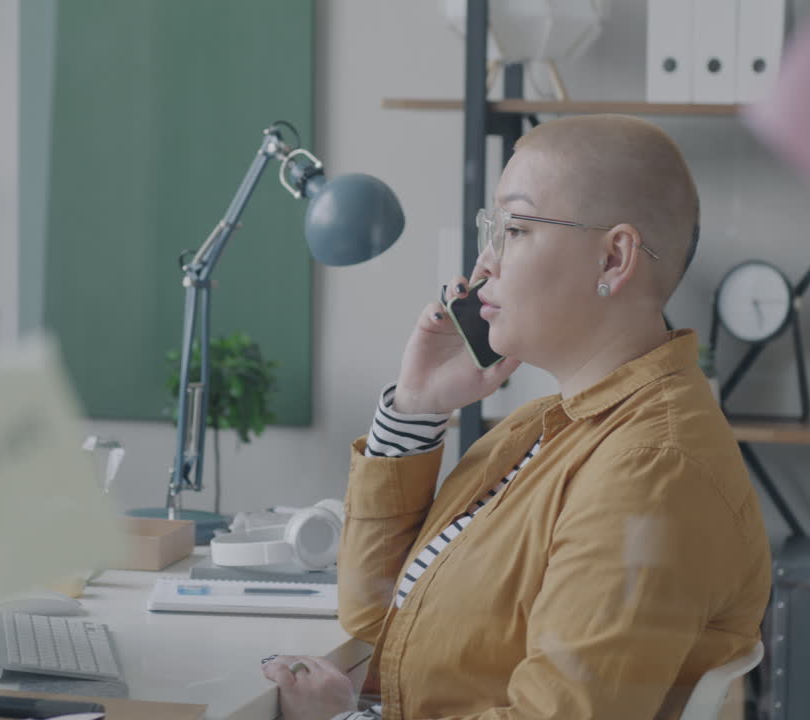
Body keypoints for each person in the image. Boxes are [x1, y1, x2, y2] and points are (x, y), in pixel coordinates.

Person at [262, 114, 772, 720]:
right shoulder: (547, 426)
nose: (483, 265)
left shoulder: (649, 471)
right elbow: (378, 614)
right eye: (492, 230)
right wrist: (417, 409)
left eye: (516, 229)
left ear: (613, 259)